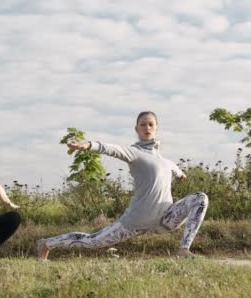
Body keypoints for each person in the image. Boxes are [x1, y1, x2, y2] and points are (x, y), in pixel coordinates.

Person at [37, 111, 208, 261]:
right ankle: (46, 244)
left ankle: (183, 250)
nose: (147, 127)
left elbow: (175, 170)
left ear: (156, 128)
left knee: (200, 198)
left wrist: (180, 174)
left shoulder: (166, 162)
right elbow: (112, 149)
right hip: (135, 221)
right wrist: (89, 145)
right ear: (137, 129)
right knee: (92, 241)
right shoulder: (134, 153)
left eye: (150, 124)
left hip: (165, 220)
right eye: (143, 125)